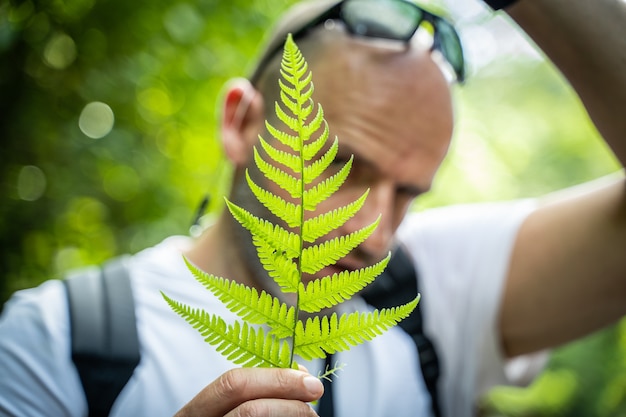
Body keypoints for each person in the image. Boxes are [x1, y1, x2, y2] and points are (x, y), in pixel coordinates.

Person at [1, 0, 625, 416]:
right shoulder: (51, 342)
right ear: (241, 122)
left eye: (409, 192)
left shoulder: (429, 292)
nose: (373, 233)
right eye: (339, 165)